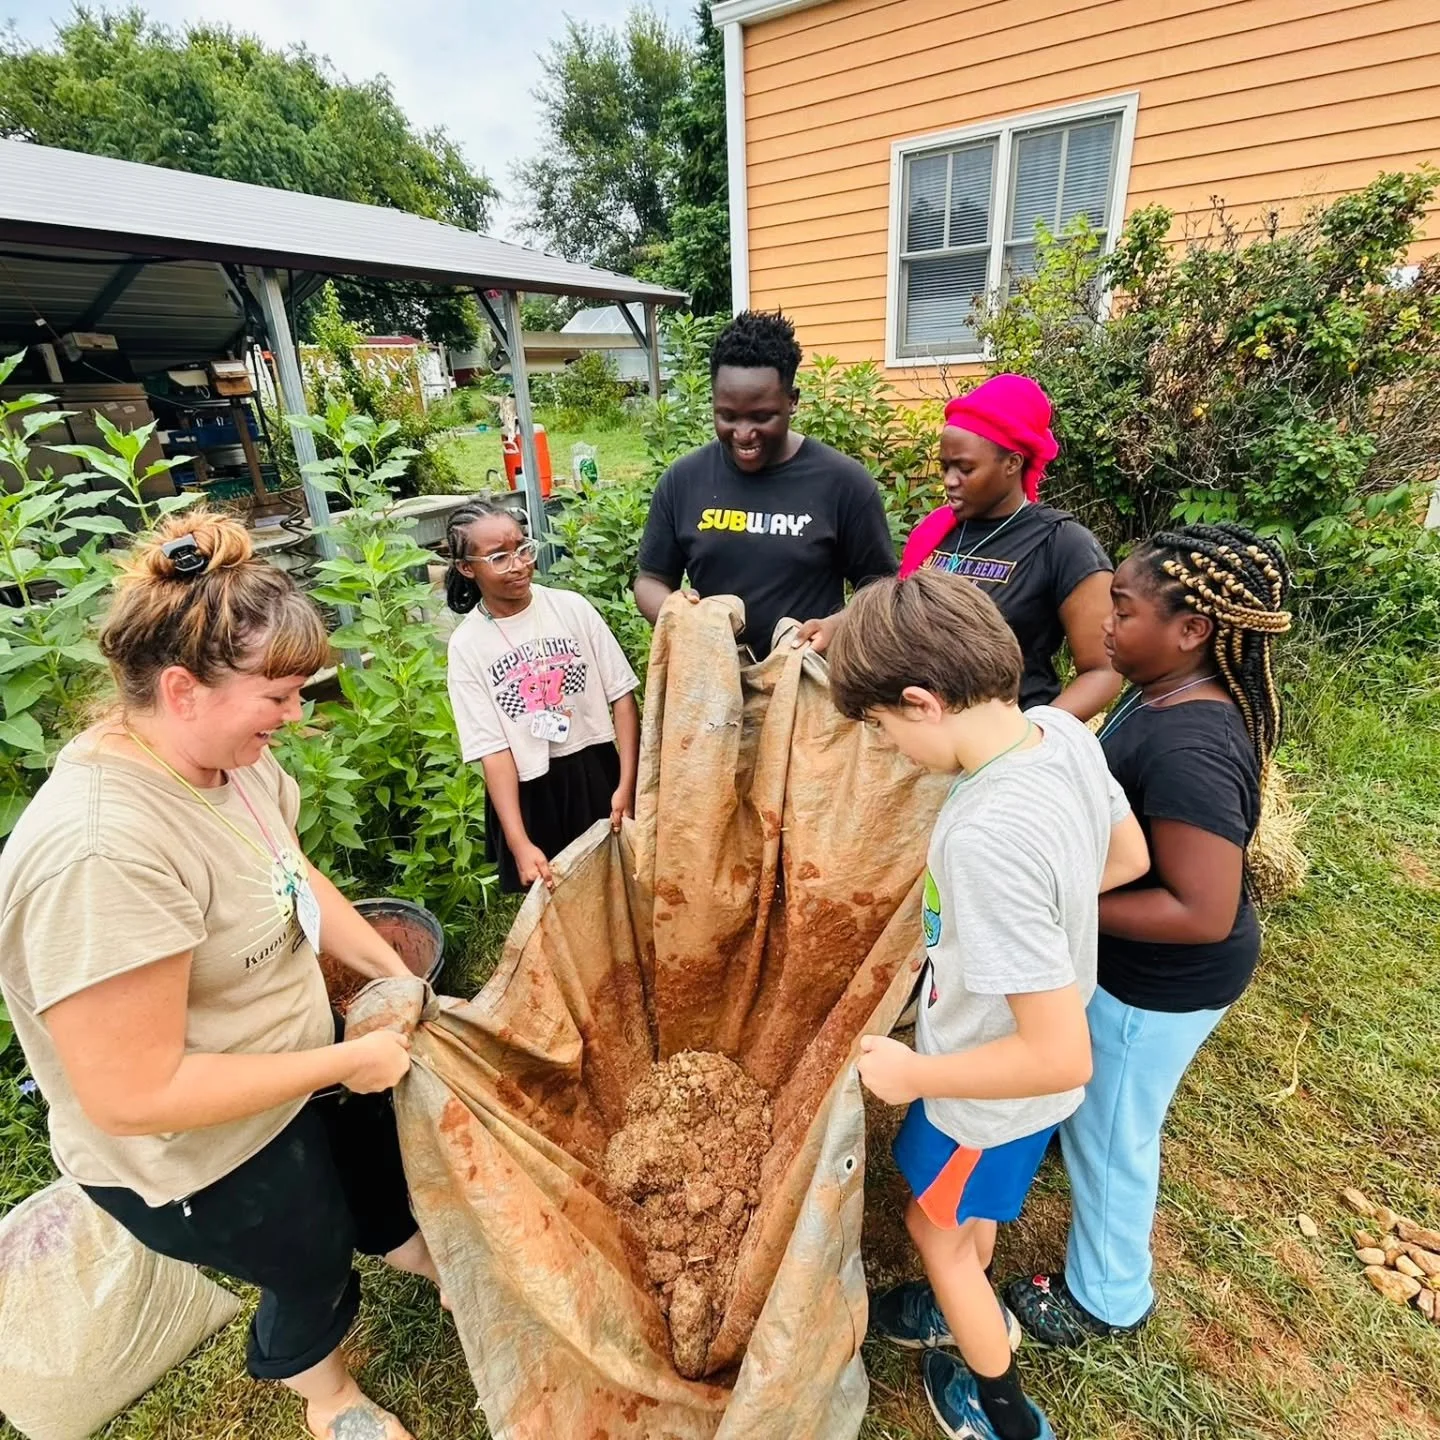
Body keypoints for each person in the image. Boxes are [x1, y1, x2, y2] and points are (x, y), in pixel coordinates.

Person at [0, 512, 436, 1440]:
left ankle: (414, 1248)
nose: (297, 716)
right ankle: (329, 1397)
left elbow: (287, 867)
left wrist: (384, 975)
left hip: (294, 1064)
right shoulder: (103, 855)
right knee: (304, 1255)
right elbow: (131, 1092)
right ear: (182, 689)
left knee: (370, 1173)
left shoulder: (229, 763)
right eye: (278, 695)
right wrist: (341, 1066)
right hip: (200, 1152)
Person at [825, 570, 1148, 1440]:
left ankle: (999, 1408)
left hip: (984, 1090)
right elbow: (1126, 856)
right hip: (1014, 1092)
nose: (891, 750)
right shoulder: (1059, 730)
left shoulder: (985, 836)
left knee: (932, 1230)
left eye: (886, 729)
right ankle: (952, 1299)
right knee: (965, 1216)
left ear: (923, 702)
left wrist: (913, 1070)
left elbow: (1061, 1054)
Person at [1004, 522, 1291, 1347]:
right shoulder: (1162, 690)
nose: (1103, 626)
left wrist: (1061, 903)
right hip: (1139, 969)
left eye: (1122, 611)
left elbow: (1201, 910)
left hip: (1159, 988)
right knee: (1100, 1109)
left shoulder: (1191, 740)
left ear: (1192, 631)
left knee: (1117, 1131)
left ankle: (1107, 1295)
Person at [633, 309, 897, 657]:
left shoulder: (843, 483)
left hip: (806, 684)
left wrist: (837, 626)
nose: (743, 434)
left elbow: (882, 588)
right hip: (713, 683)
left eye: (762, 417)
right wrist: (679, 614)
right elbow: (650, 580)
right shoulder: (683, 480)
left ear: (792, 402)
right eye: (727, 416)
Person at [444, 500, 640, 894]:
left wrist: (627, 783)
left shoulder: (572, 609)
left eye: (522, 548)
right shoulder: (467, 646)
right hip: (530, 789)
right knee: (555, 899)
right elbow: (494, 752)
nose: (517, 564)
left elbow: (622, 697)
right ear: (467, 568)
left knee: (617, 884)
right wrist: (519, 843)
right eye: (498, 558)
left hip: (596, 770)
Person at [899, 374, 1121, 720]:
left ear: (1012, 463)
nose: (949, 481)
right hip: (924, 738)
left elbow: (1103, 672)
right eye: (945, 467)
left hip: (1004, 750)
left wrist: (1030, 736)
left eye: (965, 468)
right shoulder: (935, 533)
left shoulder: (1062, 544)